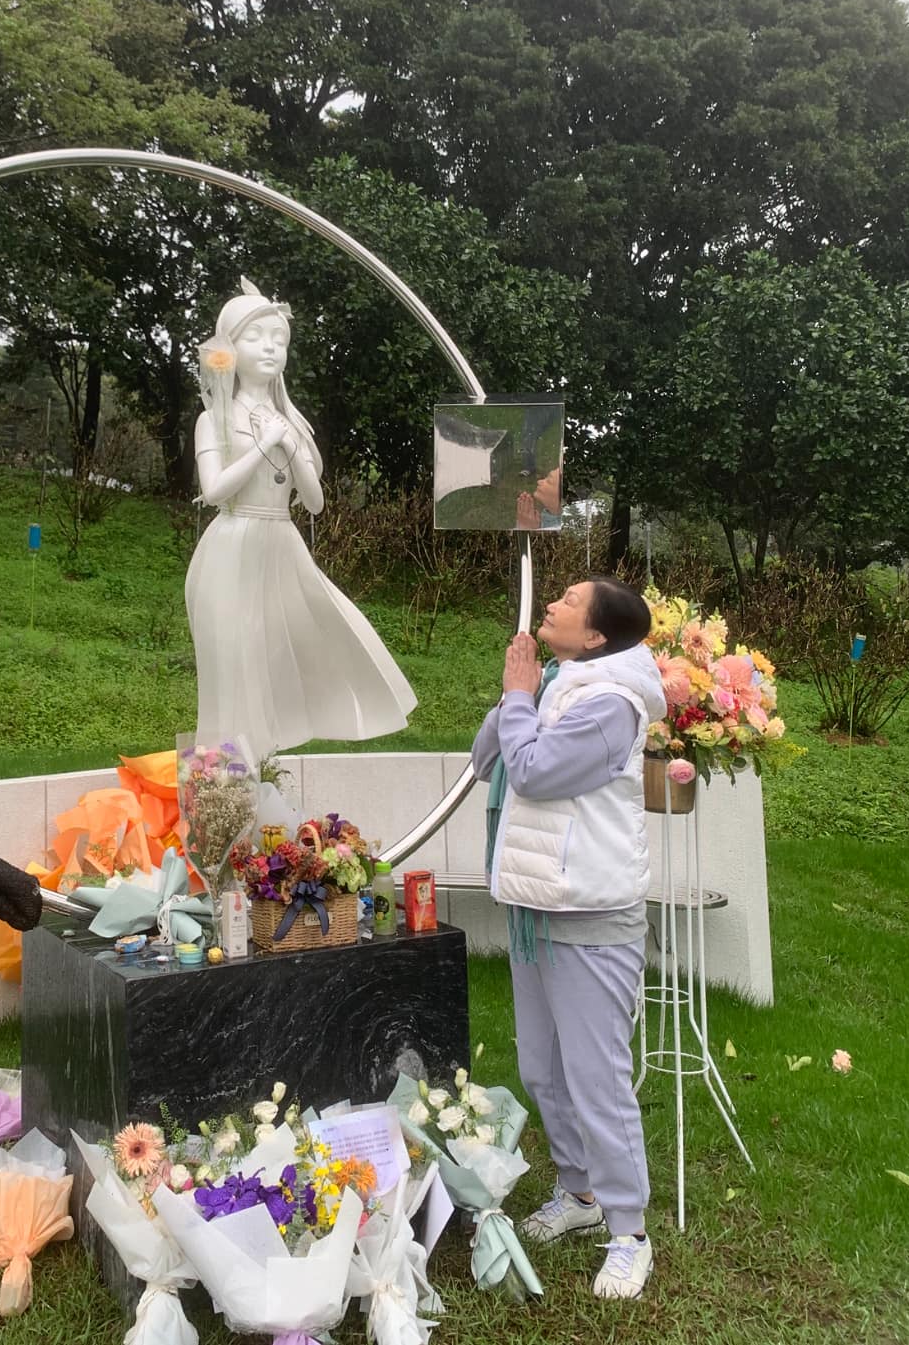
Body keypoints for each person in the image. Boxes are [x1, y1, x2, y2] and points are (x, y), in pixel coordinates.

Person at [471, 577, 665, 1301]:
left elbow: (533, 772)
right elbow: (486, 760)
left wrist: (521, 698)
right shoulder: (558, 684)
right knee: (543, 1071)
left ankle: (629, 1233)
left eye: (570, 601)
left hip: (590, 916)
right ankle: (580, 1193)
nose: (551, 602)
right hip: (536, 905)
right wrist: (516, 693)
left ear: (595, 636)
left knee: (596, 1081)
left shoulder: (611, 704)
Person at [186, 280, 416, 758]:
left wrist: (289, 444)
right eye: (256, 337)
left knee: (293, 649)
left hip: (281, 545)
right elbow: (215, 491)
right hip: (231, 545)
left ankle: (263, 766)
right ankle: (224, 779)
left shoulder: (291, 422)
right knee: (232, 663)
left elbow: (314, 502)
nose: (270, 348)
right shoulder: (215, 420)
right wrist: (266, 445)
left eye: (279, 339)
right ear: (229, 349)